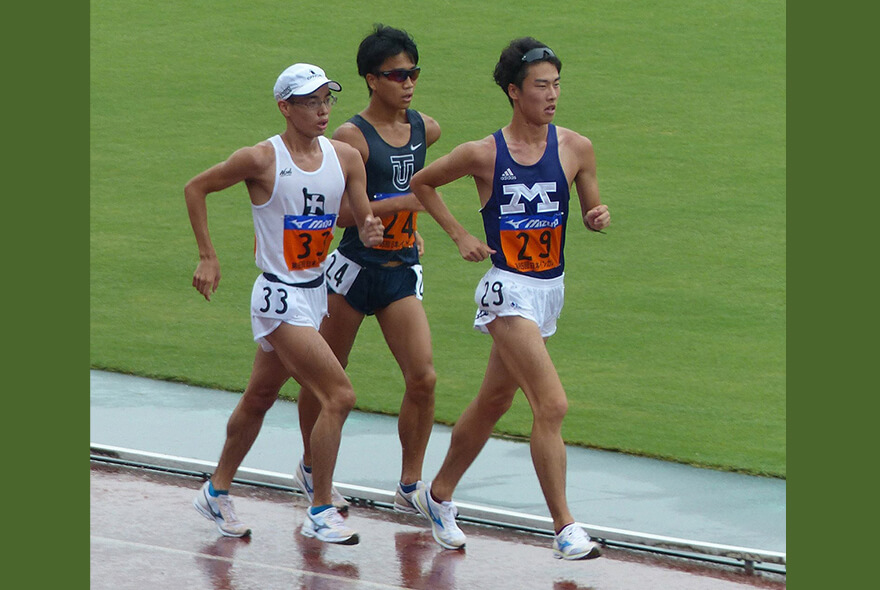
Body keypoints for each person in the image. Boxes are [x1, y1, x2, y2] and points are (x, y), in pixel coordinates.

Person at [409, 37, 610, 560]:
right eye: (541, 85)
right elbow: (424, 183)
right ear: (513, 92)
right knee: (552, 404)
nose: (553, 94)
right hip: (507, 289)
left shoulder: (576, 148)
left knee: (495, 400)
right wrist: (459, 235)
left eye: (557, 84)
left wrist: (595, 215)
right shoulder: (483, 153)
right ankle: (565, 527)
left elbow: (590, 205)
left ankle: (438, 495)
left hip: (549, 290)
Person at [185, 62, 384, 545]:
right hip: (278, 296)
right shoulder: (260, 159)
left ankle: (216, 490)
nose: (322, 110)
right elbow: (196, 188)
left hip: (316, 293)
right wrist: (208, 256)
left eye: (327, 100)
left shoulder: (346, 158)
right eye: (311, 102)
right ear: (285, 107)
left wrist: (375, 229)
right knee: (338, 395)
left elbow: (356, 216)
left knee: (259, 398)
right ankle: (319, 507)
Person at [293, 24, 442, 515]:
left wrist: (409, 220)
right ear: (371, 79)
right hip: (354, 270)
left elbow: (412, 191)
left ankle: (410, 483)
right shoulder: (349, 138)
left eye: (413, 72)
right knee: (326, 378)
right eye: (398, 74)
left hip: (400, 269)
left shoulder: (426, 129)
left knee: (423, 378)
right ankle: (312, 469)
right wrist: (408, 202)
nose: (409, 82)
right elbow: (336, 215)